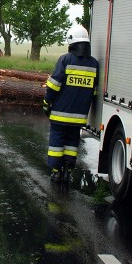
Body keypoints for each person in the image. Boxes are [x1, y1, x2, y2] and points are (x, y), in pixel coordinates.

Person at [43, 25, 99, 183]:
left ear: (72, 42)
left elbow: (54, 84)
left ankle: (56, 171)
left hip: (60, 113)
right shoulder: (94, 64)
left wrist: (47, 102)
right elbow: (93, 91)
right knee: (72, 142)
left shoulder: (65, 60)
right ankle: (68, 169)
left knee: (57, 140)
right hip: (79, 116)